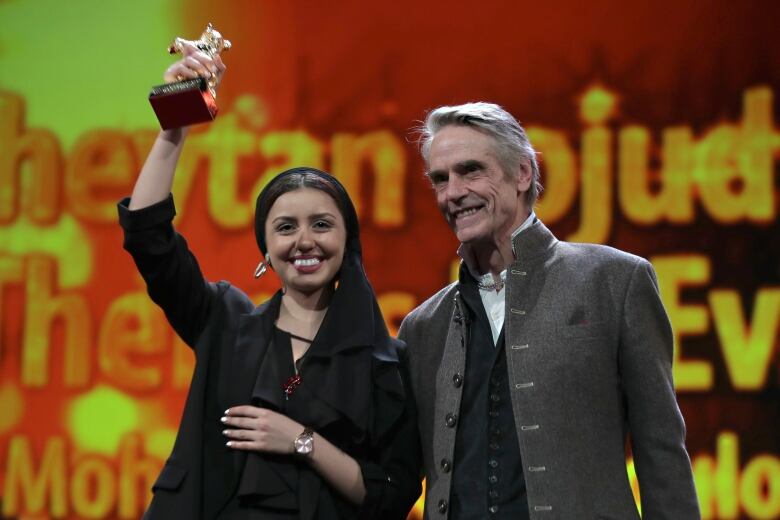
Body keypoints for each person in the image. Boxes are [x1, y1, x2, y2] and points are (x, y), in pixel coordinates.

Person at [118, 43, 420, 519]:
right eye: (285, 227)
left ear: (348, 243)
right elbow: (147, 236)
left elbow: (392, 495)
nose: (305, 241)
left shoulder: (386, 361)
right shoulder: (225, 321)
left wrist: (302, 442)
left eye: (322, 225)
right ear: (265, 251)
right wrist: (174, 122)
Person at [398, 102, 700, 519]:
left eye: (471, 171)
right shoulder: (422, 326)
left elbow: (661, 451)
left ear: (522, 173)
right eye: (440, 179)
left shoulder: (614, 281)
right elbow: (398, 473)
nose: (452, 192)